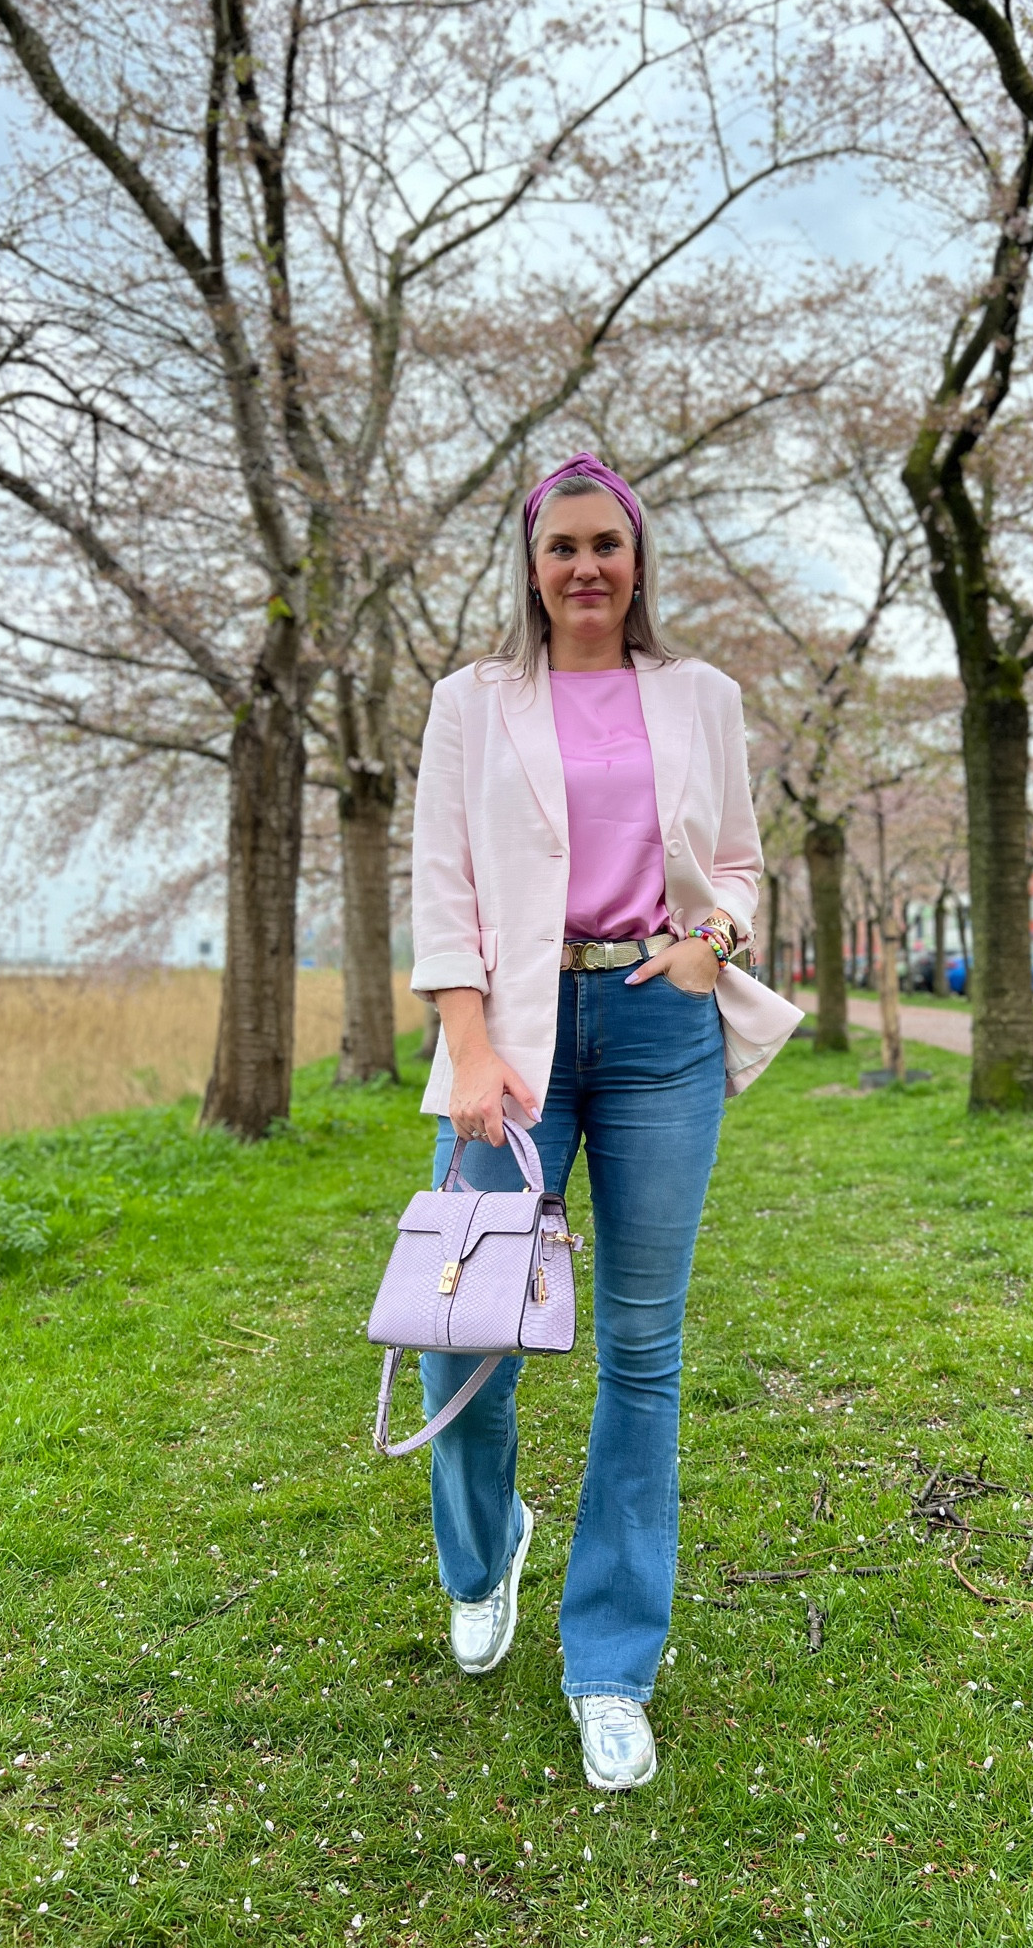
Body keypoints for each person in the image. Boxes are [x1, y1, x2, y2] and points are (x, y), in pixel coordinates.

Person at [409, 452, 801, 1790]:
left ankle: (613, 1661)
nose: (586, 568)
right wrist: (466, 1043)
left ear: (638, 562)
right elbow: (444, 883)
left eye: (608, 546)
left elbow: (739, 857)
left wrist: (715, 942)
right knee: (462, 1328)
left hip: (655, 1032)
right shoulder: (471, 704)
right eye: (562, 546)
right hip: (508, 1046)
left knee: (643, 1347)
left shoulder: (702, 697)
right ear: (531, 563)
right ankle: (484, 1547)